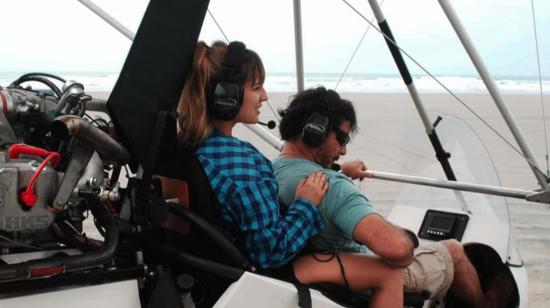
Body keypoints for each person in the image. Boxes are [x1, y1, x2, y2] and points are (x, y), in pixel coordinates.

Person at [175, 41, 405, 307]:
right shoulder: (243, 164)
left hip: (209, 276)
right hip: (264, 274)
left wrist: (340, 171)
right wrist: (306, 205)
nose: (265, 96)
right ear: (226, 96)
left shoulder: (190, 149)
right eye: (256, 87)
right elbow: (271, 251)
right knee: (389, 271)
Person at [272, 87, 498, 307]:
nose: (343, 151)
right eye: (341, 139)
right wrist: (407, 238)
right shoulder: (333, 187)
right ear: (316, 131)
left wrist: (339, 171)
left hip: (322, 271)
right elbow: (397, 251)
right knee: (454, 250)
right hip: (366, 277)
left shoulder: (273, 171)